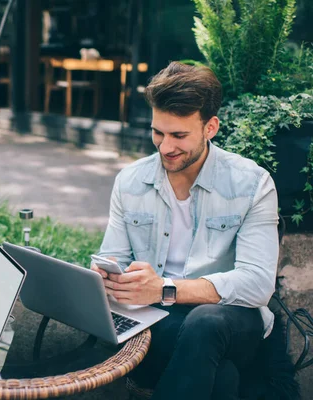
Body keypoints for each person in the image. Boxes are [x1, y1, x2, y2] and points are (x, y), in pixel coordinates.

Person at [92, 62, 279, 400]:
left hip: (232, 321)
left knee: (205, 323)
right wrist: (107, 277)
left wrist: (163, 288)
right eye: (157, 133)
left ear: (211, 127)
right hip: (161, 320)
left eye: (179, 135)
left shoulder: (252, 184)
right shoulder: (131, 181)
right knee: (222, 379)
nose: (165, 147)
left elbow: (257, 285)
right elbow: (112, 258)